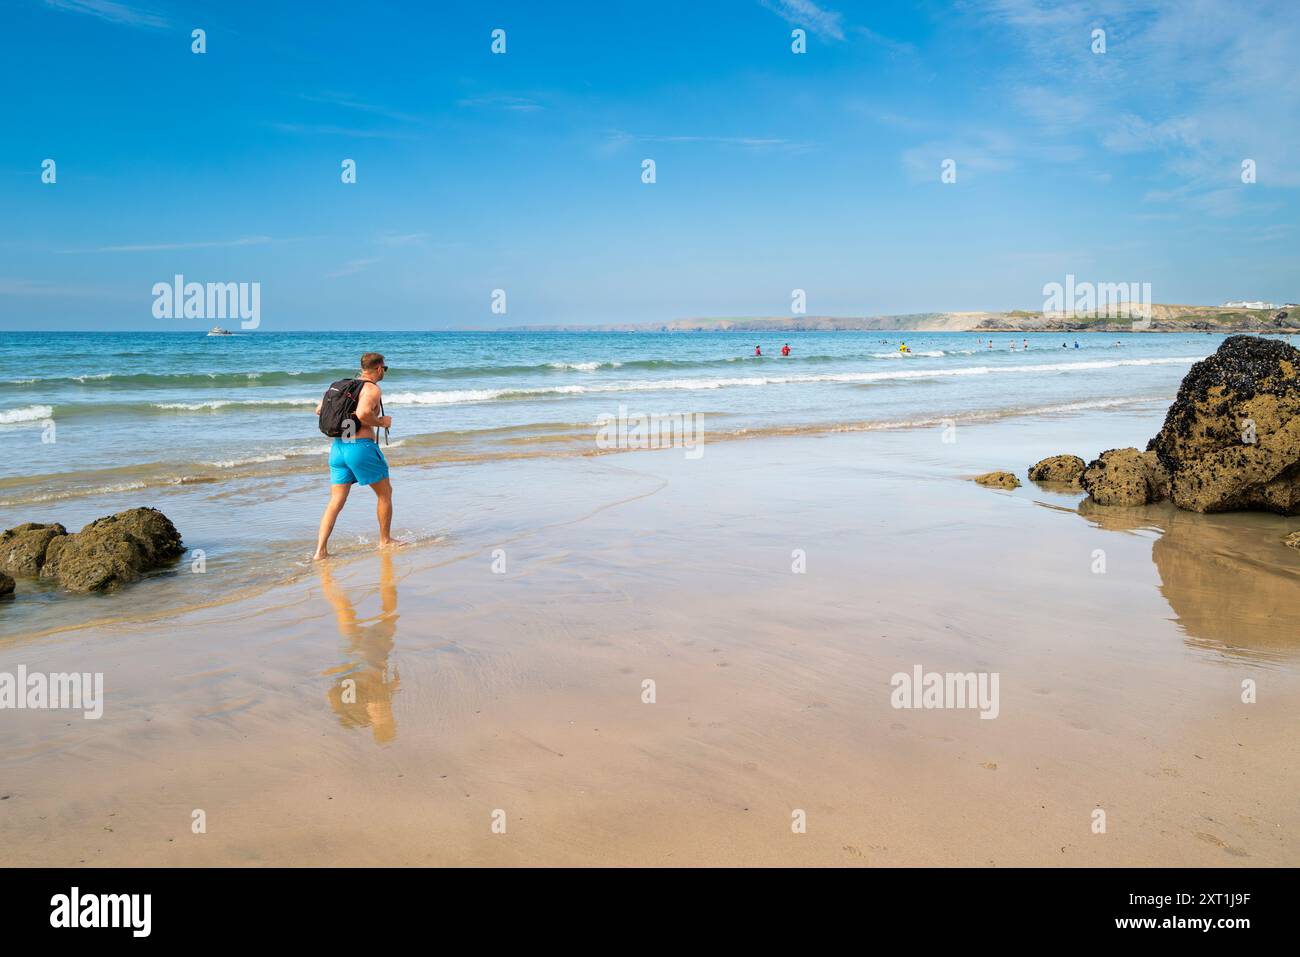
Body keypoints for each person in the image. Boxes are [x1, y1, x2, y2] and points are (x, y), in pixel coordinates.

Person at [313, 352, 401, 560]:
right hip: (360, 448)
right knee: (385, 493)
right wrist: (382, 422)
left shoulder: (342, 386)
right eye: (384, 369)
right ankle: (385, 540)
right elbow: (362, 414)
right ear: (379, 368)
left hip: (339, 447)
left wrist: (347, 420)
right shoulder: (371, 388)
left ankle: (320, 551)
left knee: (335, 501)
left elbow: (319, 410)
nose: (384, 372)